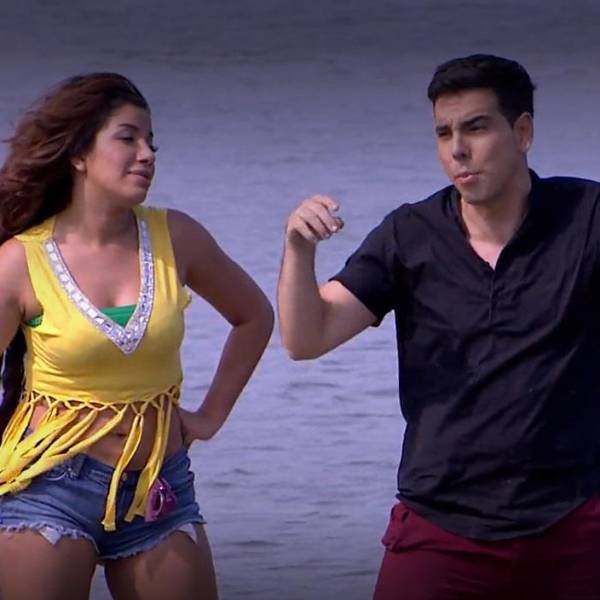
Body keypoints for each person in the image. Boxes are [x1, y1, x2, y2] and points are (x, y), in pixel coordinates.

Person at [277, 53, 600, 599]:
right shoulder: (410, 234)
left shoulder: (586, 217)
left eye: (476, 127)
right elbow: (307, 338)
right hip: (442, 526)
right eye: (444, 133)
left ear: (522, 132)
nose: (457, 150)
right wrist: (297, 250)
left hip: (575, 522)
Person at [0, 73, 274, 600]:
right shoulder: (20, 261)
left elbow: (254, 316)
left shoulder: (177, 236)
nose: (147, 154)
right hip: (49, 488)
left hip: (160, 487)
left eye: (151, 142)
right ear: (79, 154)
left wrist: (210, 416)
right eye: (128, 138)